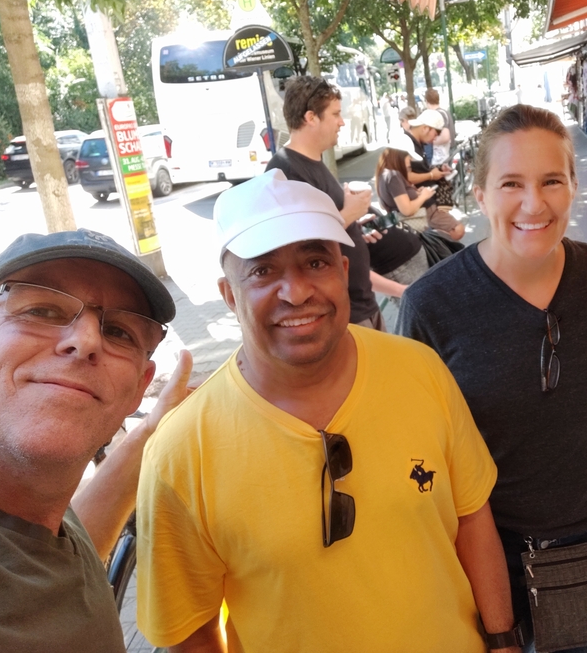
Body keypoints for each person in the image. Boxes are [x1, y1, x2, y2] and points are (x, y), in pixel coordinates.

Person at [136, 170, 524, 652]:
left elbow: (472, 517)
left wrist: (504, 640)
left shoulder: (420, 370)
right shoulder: (179, 455)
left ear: (344, 272)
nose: (296, 292)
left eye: (315, 262)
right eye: (262, 270)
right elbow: (188, 630)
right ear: (229, 295)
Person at [399, 105, 587, 653]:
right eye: (511, 183)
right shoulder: (431, 304)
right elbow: (418, 450)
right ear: (480, 194)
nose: (534, 203)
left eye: (552, 181)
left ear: (573, 187)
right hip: (486, 556)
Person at [0, 229, 190, 652]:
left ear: (140, 387)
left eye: (118, 332)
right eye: (41, 310)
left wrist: (153, 428)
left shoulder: (37, 516)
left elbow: (60, 559)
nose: (87, 340)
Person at [266, 75, 403, 330]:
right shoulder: (284, 171)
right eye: (335, 114)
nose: (342, 122)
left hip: (363, 305)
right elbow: (300, 246)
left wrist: (355, 226)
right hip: (342, 314)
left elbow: (330, 231)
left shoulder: (315, 163)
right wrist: (348, 215)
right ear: (311, 117)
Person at [378, 133, 465, 241]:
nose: (409, 161)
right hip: (411, 228)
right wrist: (423, 196)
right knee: (455, 232)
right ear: (399, 155)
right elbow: (407, 210)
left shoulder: (385, 173)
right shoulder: (393, 175)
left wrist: (416, 193)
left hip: (409, 227)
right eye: (408, 157)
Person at [405, 108, 457, 208]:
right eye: (435, 134)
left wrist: (439, 168)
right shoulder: (407, 145)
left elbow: (420, 169)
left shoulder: (418, 143)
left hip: (427, 201)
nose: (435, 139)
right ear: (425, 128)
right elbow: (407, 177)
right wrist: (432, 175)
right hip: (422, 204)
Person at [425, 88, 453, 167]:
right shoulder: (444, 112)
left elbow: (445, 137)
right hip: (447, 152)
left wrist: (429, 141)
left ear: (427, 101)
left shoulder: (438, 115)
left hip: (442, 156)